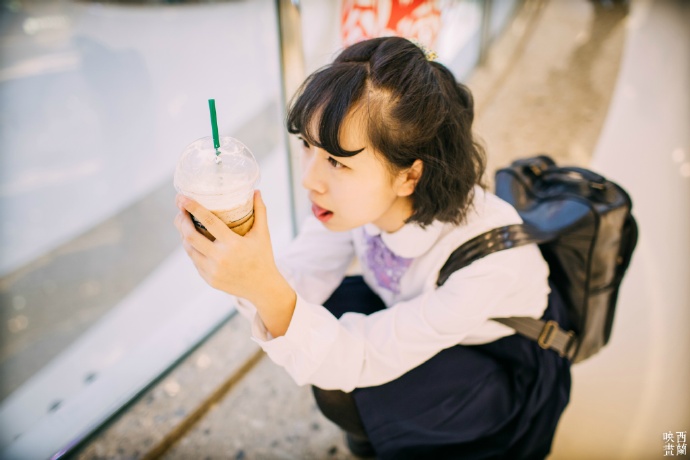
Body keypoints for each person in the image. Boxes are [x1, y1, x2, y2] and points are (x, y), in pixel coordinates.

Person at [174, 36, 571, 459]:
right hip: (419, 311)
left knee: (342, 387)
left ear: (408, 177)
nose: (310, 179)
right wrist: (244, 270)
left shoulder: (490, 263)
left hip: (500, 364)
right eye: (308, 146)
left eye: (338, 162)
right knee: (311, 319)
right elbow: (299, 278)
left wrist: (261, 286)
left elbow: (358, 358)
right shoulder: (354, 204)